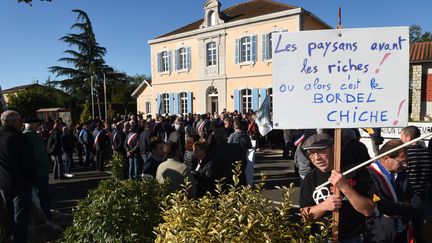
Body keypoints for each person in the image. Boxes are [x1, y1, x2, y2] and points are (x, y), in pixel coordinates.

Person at [299, 133, 376, 242]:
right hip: (322, 238)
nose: (316, 158)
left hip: (354, 238)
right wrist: (324, 206)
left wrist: (345, 187)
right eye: (311, 154)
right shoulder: (310, 178)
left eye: (321, 151)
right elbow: (304, 216)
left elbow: (368, 210)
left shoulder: (356, 171)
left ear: (334, 149)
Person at [365, 139, 421, 242]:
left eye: (406, 161)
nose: (405, 165)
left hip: (403, 229)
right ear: (387, 159)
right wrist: (405, 207)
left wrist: (410, 209)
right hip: (381, 233)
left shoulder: (402, 173)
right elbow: (381, 204)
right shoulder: (370, 175)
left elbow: (414, 197)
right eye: (401, 161)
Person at [0, 110, 36, 242]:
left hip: (3, 184)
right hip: (20, 185)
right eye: (20, 121)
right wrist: (32, 180)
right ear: (15, 122)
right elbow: (29, 162)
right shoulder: (19, 137)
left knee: (11, 218)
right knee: (20, 221)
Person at [400, 126, 432, 242]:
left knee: (409, 228)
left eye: (402, 136)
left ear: (408, 138)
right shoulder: (427, 152)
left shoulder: (405, 153)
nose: (401, 139)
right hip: (424, 194)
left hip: (410, 194)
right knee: (420, 227)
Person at [23, 118, 53, 222]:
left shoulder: (28, 134)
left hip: (36, 170)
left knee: (40, 195)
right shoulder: (30, 135)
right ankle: (46, 216)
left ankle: (45, 214)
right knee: (43, 195)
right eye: (36, 123)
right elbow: (38, 154)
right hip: (39, 170)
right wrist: (46, 163)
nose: (38, 125)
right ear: (31, 124)